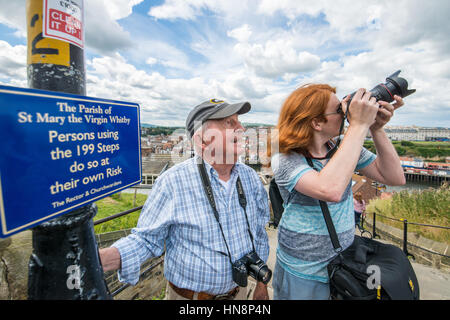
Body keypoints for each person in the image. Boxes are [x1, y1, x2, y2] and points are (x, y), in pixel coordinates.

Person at [99, 99, 271, 300]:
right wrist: (98, 259)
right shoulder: (173, 182)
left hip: (240, 294)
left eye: (238, 122)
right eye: (229, 123)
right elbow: (145, 240)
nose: (242, 128)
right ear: (201, 141)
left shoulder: (250, 177)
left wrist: (261, 283)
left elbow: (259, 234)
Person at [270, 84, 405, 300]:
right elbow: (329, 189)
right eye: (340, 110)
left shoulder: (340, 147)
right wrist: (359, 125)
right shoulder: (285, 158)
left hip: (343, 262)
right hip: (304, 270)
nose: (346, 114)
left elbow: (394, 177)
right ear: (316, 122)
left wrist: (376, 129)